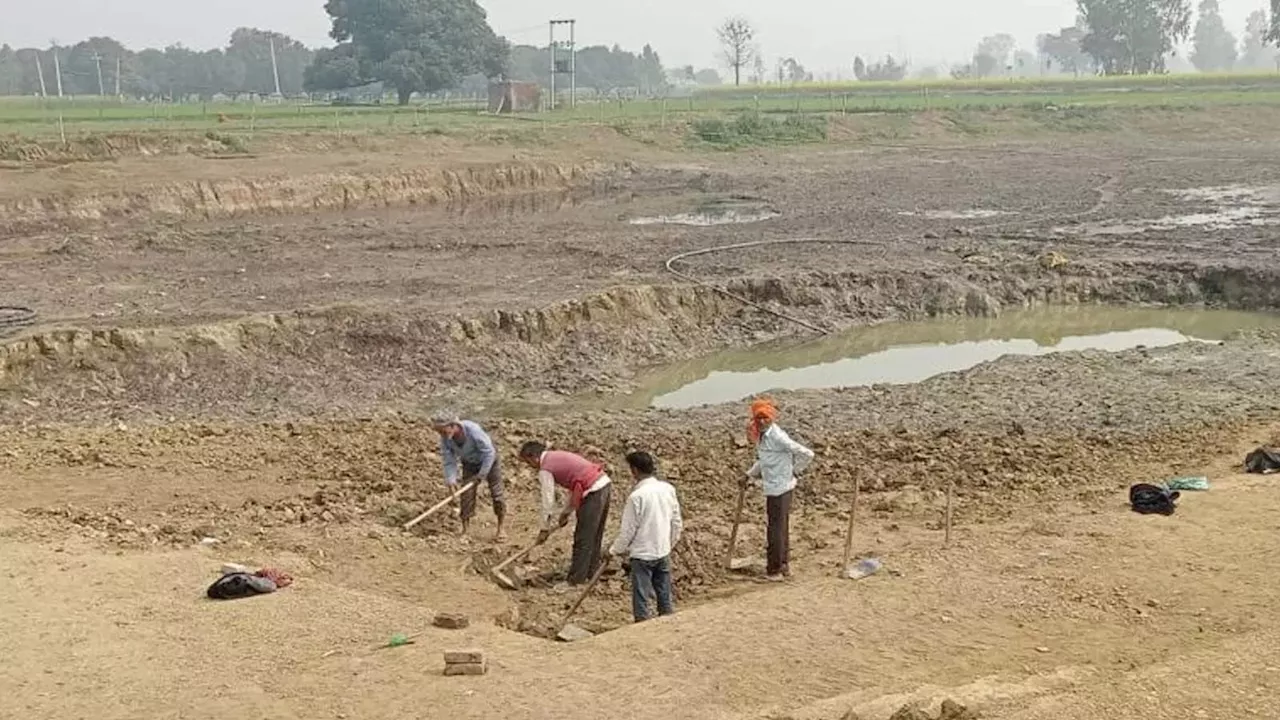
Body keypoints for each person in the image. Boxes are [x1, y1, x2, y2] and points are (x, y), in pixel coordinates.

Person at [518, 441, 612, 586]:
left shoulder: (545, 469)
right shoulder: (556, 456)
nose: (530, 467)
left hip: (592, 490)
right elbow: (575, 485)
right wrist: (565, 513)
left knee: (583, 538)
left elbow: (548, 502)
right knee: (594, 535)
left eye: (528, 463)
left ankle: (575, 581)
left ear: (533, 457)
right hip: (603, 484)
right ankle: (591, 575)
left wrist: (544, 529)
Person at [743, 397, 814, 581]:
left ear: (772, 418)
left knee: (775, 530)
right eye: (758, 418)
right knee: (780, 527)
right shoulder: (762, 436)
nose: (761, 421)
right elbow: (764, 460)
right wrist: (749, 475)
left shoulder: (777, 437)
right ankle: (783, 565)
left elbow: (806, 453)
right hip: (773, 487)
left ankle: (774, 571)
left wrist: (794, 471)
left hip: (780, 488)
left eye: (765, 417)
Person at [610, 450, 683, 622]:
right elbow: (676, 522)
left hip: (642, 554)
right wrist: (669, 544)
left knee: (641, 596)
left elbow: (628, 531)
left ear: (634, 470)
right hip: (662, 550)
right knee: (664, 593)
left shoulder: (636, 497)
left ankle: (642, 626)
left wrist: (614, 550)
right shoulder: (668, 489)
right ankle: (667, 621)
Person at [432, 413, 507, 541]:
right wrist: (451, 480)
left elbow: (489, 453)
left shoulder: (473, 431)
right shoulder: (446, 439)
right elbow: (449, 460)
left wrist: (482, 475)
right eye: (439, 432)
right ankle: (465, 530)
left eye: (443, 431)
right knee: (466, 495)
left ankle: (501, 528)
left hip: (489, 460)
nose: (442, 435)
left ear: (453, 425)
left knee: (496, 493)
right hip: (470, 463)